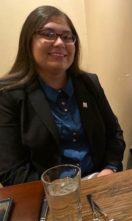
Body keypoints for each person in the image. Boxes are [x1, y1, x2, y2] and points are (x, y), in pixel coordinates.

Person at [0, 5, 125, 186]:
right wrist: (61, 190)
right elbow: (11, 170)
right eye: (49, 34)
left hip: (99, 182)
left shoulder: (89, 83)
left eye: (67, 37)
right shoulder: (8, 94)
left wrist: (110, 168)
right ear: (28, 41)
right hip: (46, 195)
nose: (60, 43)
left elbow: (114, 134)